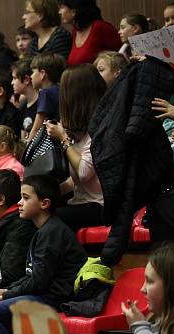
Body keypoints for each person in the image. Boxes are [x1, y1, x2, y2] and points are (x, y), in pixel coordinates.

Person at [0, 175, 86, 334]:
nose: (19, 203)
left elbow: (39, 283)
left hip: (54, 298)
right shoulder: (43, 230)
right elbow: (32, 276)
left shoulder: (52, 232)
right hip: (42, 294)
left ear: (44, 203)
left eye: (26, 198)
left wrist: (4, 295)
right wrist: (5, 290)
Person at [45, 63, 107, 232]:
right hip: (81, 201)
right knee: (34, 209)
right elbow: (76, 180)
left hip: (100, 206)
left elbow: (84, 173)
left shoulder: (100, 130)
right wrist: (49, 194)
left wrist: (63, 139)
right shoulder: (79, 130)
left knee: (46, 219)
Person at [60, 0, 122, 66]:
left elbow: (126, 49)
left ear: (74, 11)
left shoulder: (99, 27)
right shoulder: (75, 31)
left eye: (62, 7)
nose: (59, 12)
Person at [29, 52, 66, 138]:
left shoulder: (45, 93)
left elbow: (36, 128)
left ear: (42, 74)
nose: (31, 76)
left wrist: (28, 148)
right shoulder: (60, 89)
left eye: (33, 72)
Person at [12, 58, 40, 138]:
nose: (12, 82)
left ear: (27, 80)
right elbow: (23, 139)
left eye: (14, 78)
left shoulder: (42, 103)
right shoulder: (22, 106)